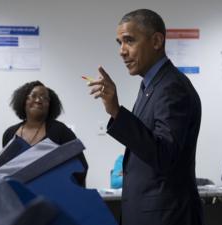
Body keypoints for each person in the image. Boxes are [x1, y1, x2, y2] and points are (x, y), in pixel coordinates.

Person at [86, 9, 202, 225]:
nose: (122, 51)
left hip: (166, 217)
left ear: (156, 41)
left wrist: (116, 112)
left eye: (129, 41)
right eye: (119, 42)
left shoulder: (172, 87)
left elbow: (164, 156)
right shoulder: (151, 85)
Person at [2, 80, 87, 186]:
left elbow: (80, 167)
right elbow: (4, 171)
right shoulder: (9, 134)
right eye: (33, 96)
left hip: (53, 196)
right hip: (19, 197)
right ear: (24, 100)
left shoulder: (61, 131)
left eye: (44, 98)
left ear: (49, 105)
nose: (38, 100)